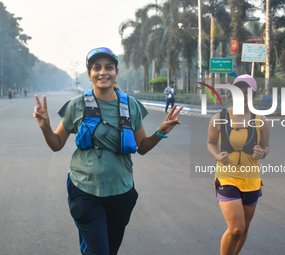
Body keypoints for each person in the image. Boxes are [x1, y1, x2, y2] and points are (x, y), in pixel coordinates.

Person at [33, 47, 183, 255]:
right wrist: (45, 127)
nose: (103, 72)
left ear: (116, 72)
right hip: (85, 191)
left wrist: (161, 131)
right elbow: (56, 144)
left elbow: (142, 148)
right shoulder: (76, 105)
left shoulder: (130, 105)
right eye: (97, 68)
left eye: (109, 67)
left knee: (110, 250)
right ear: (89, 74)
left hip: (121, 192)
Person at [207, 74, 270, 255]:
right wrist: (217, 156)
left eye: (246, 93)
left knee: (245, 227)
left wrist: (263, 152)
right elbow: (210, 142)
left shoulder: (261, 121)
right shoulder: (219, 118)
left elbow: (266, 146)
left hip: (251, 179)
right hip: (227, 178)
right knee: (236, 228)